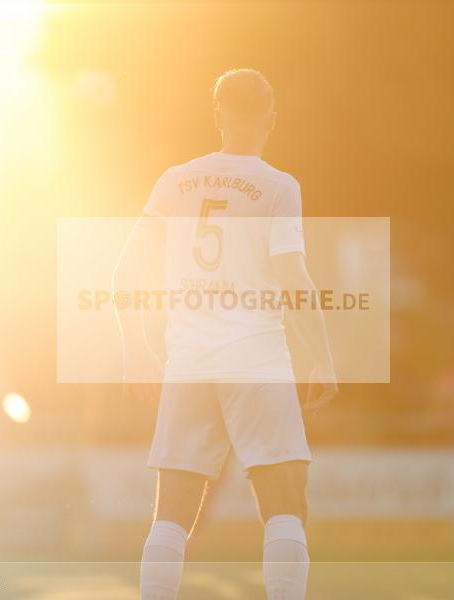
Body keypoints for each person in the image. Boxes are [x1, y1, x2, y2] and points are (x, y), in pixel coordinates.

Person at [113, 68, 337, 600]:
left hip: (189, 362)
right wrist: (321, 358)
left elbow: (124, 272)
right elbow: (293, 279)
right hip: (256, 361)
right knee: (286, 504)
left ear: (217, 115)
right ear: (271, 122)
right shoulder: (280, 187)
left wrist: (137, 351)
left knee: (172, 512)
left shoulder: (174, 181)